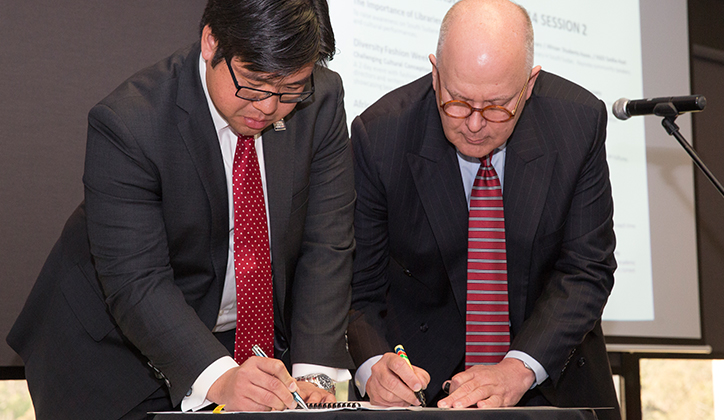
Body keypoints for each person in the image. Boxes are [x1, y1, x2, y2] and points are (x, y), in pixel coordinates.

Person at [6, 0, 356, 418]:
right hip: (112, 350)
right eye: (254, 83)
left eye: (290, 89)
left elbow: (327, 243)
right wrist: (221, 378)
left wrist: (317, 378)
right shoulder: (130, 122)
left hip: (240, 339)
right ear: (211, 42)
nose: (268, 106)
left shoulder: (321, 99)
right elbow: (138, 280)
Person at [347, 0, 620, 419]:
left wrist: (517, 370)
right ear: (435, 75)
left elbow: (587, 270)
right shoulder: (381, 136)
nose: (474, 124)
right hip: (423, 391)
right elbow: (358, 288)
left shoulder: (578, 122)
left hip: (550, 382)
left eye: (496, 106)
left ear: (529, 85)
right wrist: (373, 367)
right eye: (457, 102)